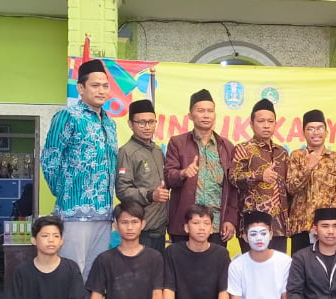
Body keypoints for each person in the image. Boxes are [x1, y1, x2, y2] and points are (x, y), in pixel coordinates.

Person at [41, 59, 117, 299]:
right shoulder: (67, 116)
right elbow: (50, 159)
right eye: (95, 85)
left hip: (103, 213)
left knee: (95, 275)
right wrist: (66, 194)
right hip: (74, 212)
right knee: (72, 271)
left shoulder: (110, 123)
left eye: (105, 86)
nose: (102, 90)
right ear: (81, 88)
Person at [85, 200, 165, 299]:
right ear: (116, 225)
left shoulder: (154, 257)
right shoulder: (105, 259)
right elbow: (96, 296)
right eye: (124, 222)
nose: (129, 227)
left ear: (142, 224)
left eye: (134, 222)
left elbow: (158, 293)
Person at [164, 89, 237, 246]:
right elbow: (168, 177)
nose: (206, 115)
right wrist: (183, 173)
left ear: (215, 115)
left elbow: (233, 188)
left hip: (216, 225)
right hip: (186, 223)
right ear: (190, 115)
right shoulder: (177, 143)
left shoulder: (226, 146)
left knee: (215, 261)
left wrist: (230, 219)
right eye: (201, 111)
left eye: (210, 111)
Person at [162, 204, 230, 299]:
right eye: (196, 223)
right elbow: (168, 288)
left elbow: (224, 290)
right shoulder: (172, 252)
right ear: (186, 228)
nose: (202, 228)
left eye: (206, 223)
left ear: (212, 228)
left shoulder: (221, 254)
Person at [227, 210, 292, 299]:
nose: (259, 238)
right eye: (253, 234)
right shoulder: (237, 264)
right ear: (245, 237)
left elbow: (286, 298)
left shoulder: (284, 261)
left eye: (263, 233)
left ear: (271, 234)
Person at [230, 98, 289, 253]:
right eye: (261, 121)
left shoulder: (282, 152)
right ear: (251, 124)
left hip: (278, 226)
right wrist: (259, 176)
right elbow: (233, 178)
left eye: (270, 121)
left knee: (279, 266)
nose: (266, 125)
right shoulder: (243, 149)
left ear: (276, 124)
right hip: (252, 224)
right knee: (252, 266)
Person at [286, 109, 336, 254]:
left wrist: (326, 223)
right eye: (310, 129)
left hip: (327, 229)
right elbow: (291, 188)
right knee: (300, 266)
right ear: (304, 133)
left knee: (325, 267)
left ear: (326, 132)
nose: (315, 133)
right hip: (300, 227)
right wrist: (307, 168)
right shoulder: (296, 156)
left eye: (319, 128)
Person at [116, 99, 169, 253]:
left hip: (160, 228)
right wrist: (151, 195)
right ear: (130, 124)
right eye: (141, 122)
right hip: (141, 230)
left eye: (151, 122)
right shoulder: (127, 152)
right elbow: (122, 190)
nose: (147, 127)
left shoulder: (157, 150)